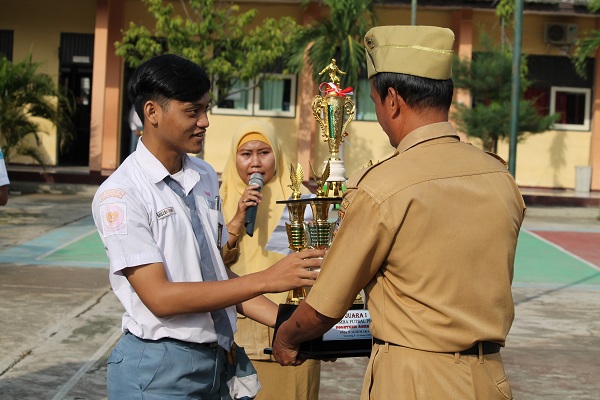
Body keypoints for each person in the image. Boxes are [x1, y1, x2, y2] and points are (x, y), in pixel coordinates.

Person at [272, 25, 526, 400]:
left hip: (414, 381)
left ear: (392, 101)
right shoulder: (499, 176)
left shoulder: (381, 187)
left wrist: (288, 336)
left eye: (374, 101)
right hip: (490, 378)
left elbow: (327, 305)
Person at [91, 54, 323, 400]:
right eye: (192, 111)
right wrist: (267, 279)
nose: (205, 122)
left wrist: (293, 326)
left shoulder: (201, 176)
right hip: (160, 370)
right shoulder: (121, 194)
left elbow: (214, 276)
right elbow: (160, 298)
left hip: (218, 360)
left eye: (207, 108)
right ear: (152, 112)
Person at [220, 120, 321, 400]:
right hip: (240, 338)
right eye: (246, 154)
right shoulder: (216, 202)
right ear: (234, 157)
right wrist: (238, 219)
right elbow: (210, 266)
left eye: (263, 153)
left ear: (277, 154)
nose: (255, 163)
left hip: (296, 336)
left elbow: (321, 266)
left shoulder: (301, 202)